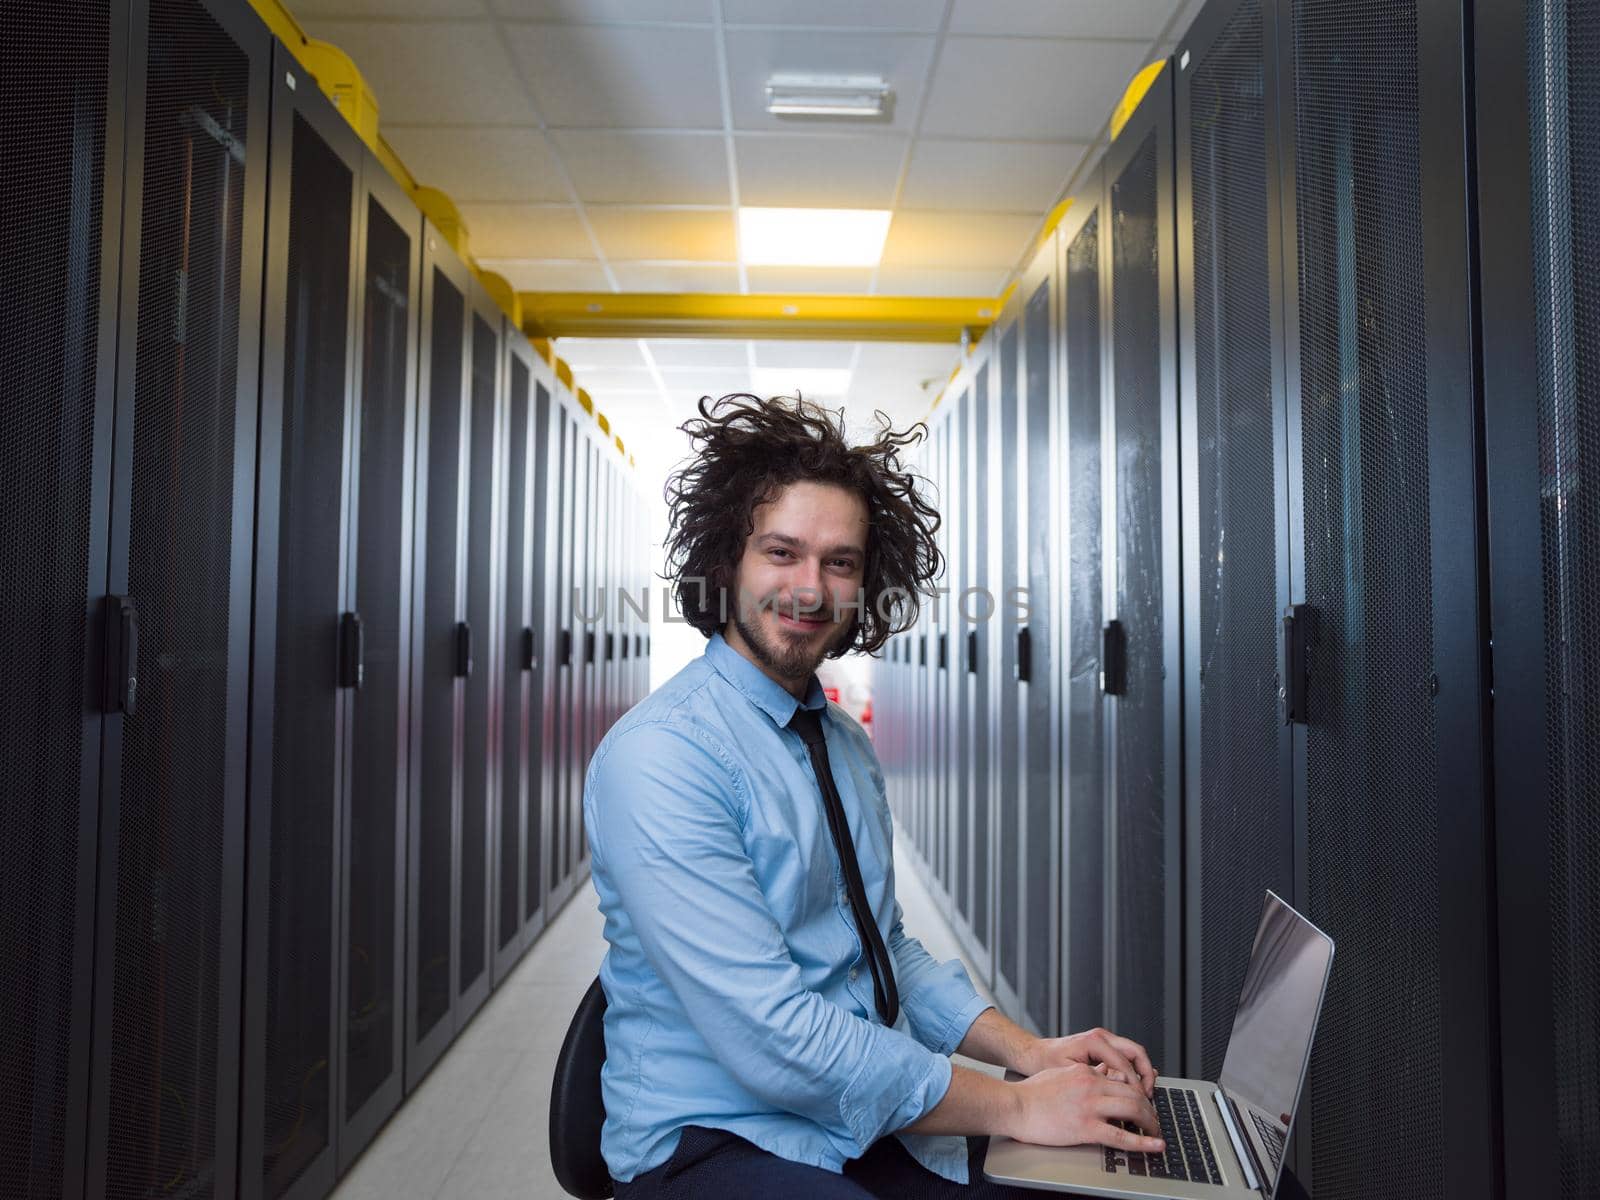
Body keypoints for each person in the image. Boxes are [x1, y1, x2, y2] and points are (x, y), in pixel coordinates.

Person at [583, 395, 1165, 1198]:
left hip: (858, 1117)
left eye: (841, 562)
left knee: (1146, 1181)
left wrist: (1028, 1055)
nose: (810, 589)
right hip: (713, 1142)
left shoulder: (843, 744)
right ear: (727, 563)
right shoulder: (662, 759)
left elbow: (881, 952)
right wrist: (1015, 1107)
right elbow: (775, 1040)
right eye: (781, 552)